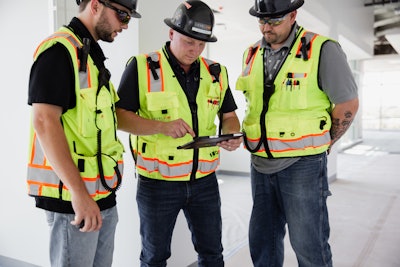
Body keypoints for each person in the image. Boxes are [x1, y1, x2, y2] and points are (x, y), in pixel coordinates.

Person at [116, 1, 242, 266]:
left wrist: (231, 135)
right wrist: (161, 127)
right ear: (172, 33)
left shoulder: (217, 73)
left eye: (201, 44)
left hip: (205, 182)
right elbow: (119, 117)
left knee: (212, 253)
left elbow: (229, 117)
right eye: (188, 42)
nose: (194, 50)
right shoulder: (141, 67)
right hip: (157, 182)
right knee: (154, 257)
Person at [235, 0, 359, 266]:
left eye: (274, 21)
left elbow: (348, 104)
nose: (266, 28)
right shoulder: (251, 53)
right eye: (262, 21)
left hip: (302, 165)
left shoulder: (322, 49)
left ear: (293, 15)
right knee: (262, 243)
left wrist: (329, 140)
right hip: (260, 164)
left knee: (309, 246)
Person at [26, 0, 140, 266]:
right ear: (96, 6)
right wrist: (79, 194)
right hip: (73, 201)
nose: (125, 26)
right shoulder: (59, 51)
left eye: (129, 18)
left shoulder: (89, 55)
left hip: (101, 194)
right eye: (122, 15)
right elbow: (44, 122)